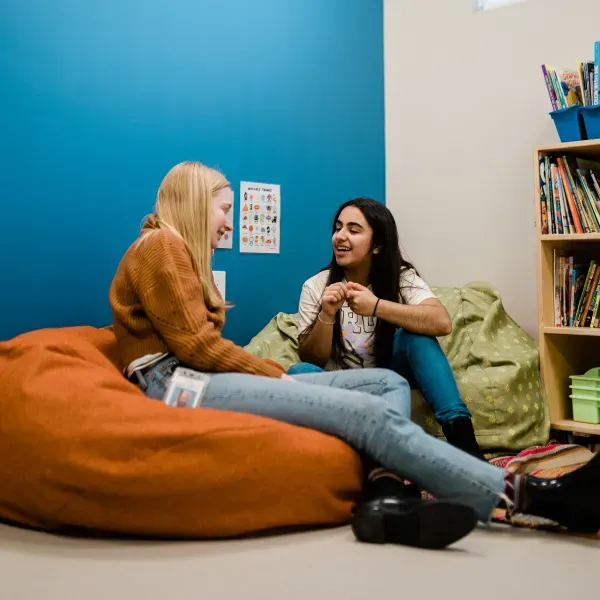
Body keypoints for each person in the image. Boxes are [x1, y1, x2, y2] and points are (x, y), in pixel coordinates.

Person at [109, 161, 600, 550]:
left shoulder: (170, 251)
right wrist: (273, 373)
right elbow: (197, 347)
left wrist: (374, 309)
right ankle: (530, 497)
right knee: (368, 414)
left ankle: (386, 496)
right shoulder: (163, 247)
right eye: (223, 209)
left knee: (385, 385)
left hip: (187, 376)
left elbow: (195, 340)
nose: (228, 221)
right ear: (196, 206)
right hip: (177, 384)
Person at [291, 198, 483, 459]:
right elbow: (311, 358)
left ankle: (466, 447)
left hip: (393, 376)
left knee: (416, 337)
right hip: (347, 384)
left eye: (353, 229)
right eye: (338, 228)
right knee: (298, 372)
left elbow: (441, 322)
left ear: (378, 245)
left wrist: (377, 306)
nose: (340, 236)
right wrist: (327, 313)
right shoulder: (316, 286)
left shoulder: (402, 278)